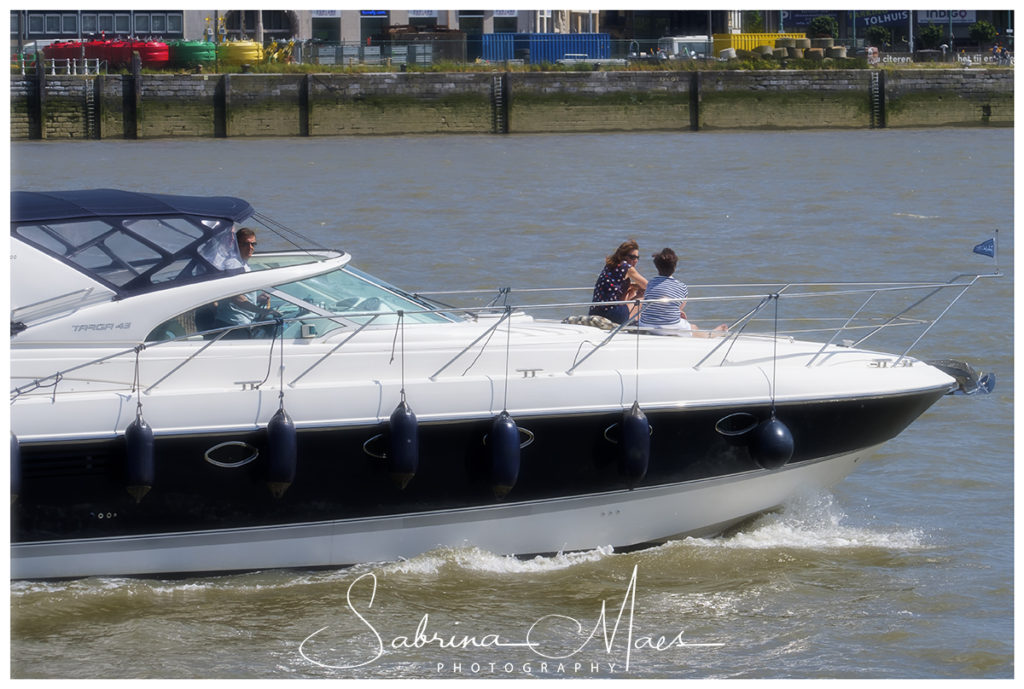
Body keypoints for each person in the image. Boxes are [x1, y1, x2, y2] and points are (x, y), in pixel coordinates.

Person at [638, 247, 727, 337]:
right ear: (674, 267)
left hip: (647, 325)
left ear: (657, 267)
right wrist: (678, 311)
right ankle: (716, 332)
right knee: (694, 328)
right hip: (670, 326)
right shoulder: (682, 286)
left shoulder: (650, 283)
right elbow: (680, 306)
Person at [214, 227, 273, 337]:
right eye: (246, 244)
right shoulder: (233, 265)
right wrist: (263, 311)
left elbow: (242, 296)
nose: (250, 247)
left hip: (241, 323)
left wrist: (257, 299)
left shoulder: (244, 265)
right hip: (232, 324)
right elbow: (237, 298)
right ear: (236, 245)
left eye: (253, 244)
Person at [589, 240, 648, 324]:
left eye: (637, 258)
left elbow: (619, 298)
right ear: (623, 256)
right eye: (632, 257)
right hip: (612, 315)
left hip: (595, 312)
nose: (635, 261)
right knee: (643, 298)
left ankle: (631, 322)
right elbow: (648, 286)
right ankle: (636, 327)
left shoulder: (609, 266)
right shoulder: (626, 267)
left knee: (631, 292)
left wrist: (633, 287)